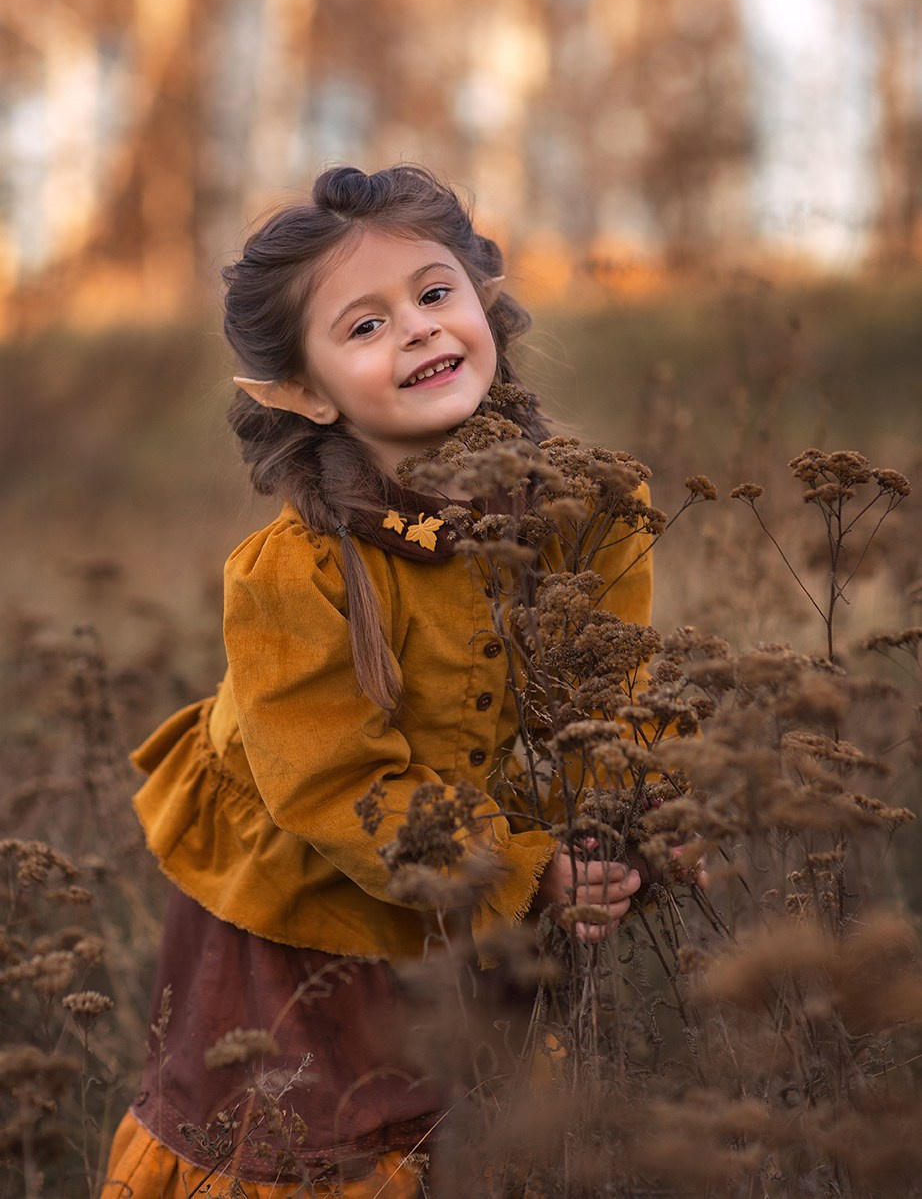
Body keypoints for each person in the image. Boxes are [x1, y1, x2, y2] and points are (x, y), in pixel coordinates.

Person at [104, 165, 651, 1198]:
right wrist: (526, 871)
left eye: (434, 294)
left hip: (468, 873)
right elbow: (335, 787)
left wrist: (634, 827)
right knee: (309, 1145)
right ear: (303, 392)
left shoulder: (586, 511)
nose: (415, 330)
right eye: (362, 325)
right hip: (298, 911)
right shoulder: (294, 571)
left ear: (482, 302)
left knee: (468, 1124)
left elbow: (618, 694)